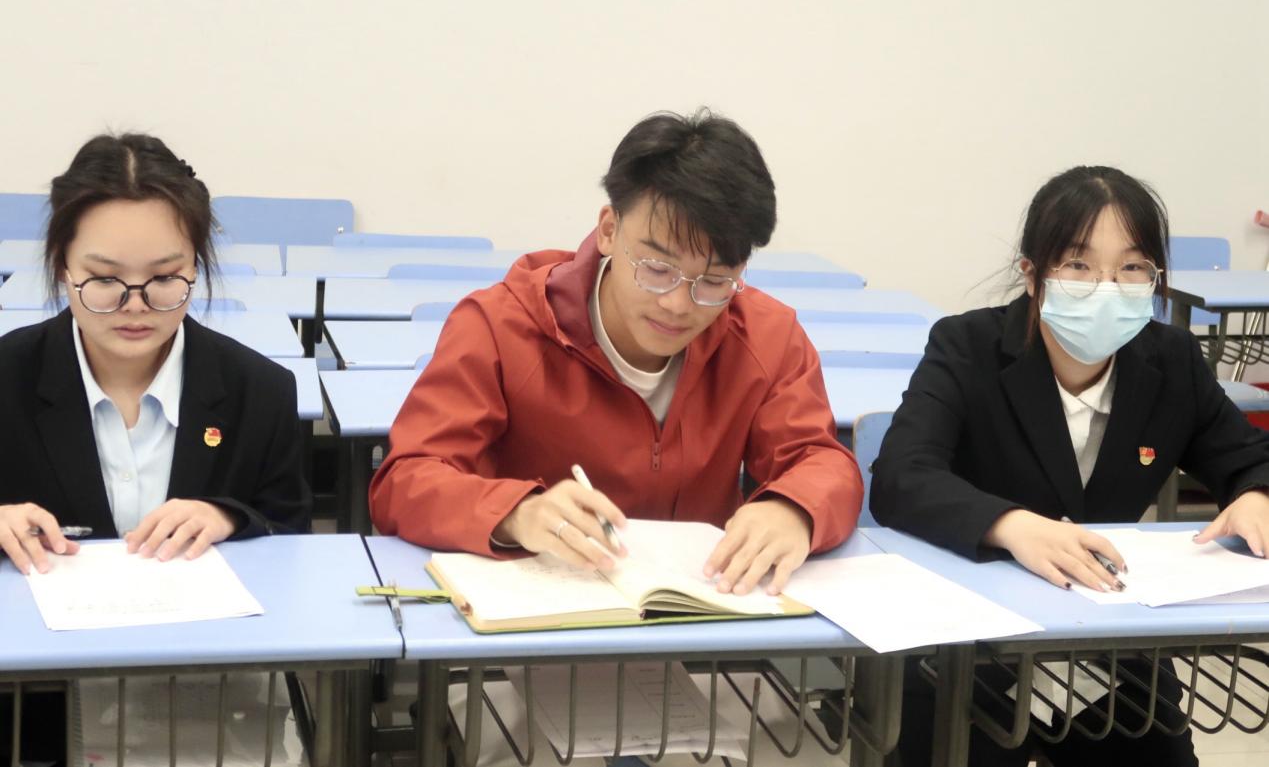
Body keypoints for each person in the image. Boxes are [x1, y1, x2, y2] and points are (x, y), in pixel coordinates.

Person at [870, 165, 1269, 766]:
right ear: (1032, 274)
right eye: (1079, 265)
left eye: (1132, 268)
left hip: (1109, 650)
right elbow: (901, 476)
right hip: (972, 647)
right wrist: (1010, 525)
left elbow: (1248, 456)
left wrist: (1256, 494)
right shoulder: (967, 347)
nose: (1107, 288)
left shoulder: (1170, 360)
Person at [370, 110, 861, 595]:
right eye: (657, 268)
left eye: (714, 282)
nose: (677, 304)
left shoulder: (767, 337)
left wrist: (794, 509)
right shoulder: (501, 327)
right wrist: (517, 513)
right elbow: (406, 479)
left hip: (701, 613)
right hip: (541, 610)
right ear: (608, 230)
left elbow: (823, 461)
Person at [0, 133, 312, 761]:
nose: (135, 306)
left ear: (196, 266)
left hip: (207, 696)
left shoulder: (259, 389)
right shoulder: (7, 378)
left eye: (166, 279)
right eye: (104, 280)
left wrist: (229, 516)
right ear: (63, 269)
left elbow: (295, 536)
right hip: (32, 703)